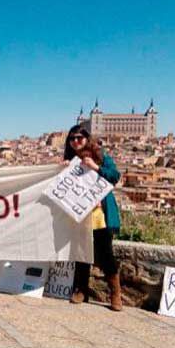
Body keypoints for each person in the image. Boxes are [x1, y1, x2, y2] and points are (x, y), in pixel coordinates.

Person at [63, 125, 122, 311]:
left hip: (99, 213)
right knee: (81, 252)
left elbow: (115, 176)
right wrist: (62, 170)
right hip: (79, 214)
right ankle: (81, 290)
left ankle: (115, 293)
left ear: (87, 138)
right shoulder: (70, 161)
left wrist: (95, 167)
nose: (75, 141)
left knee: (106, 254)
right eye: (72, 139)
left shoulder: (101, 156)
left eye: (79, 138)